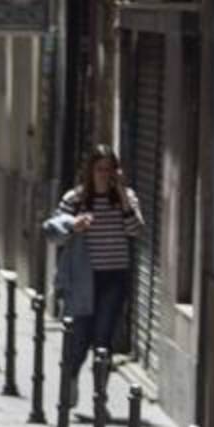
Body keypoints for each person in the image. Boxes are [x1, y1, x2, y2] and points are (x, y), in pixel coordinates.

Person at [42, 145, 144, 407]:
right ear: (90, 170)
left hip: (114, 277)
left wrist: (121, 193)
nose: (104, 174)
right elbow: (53, 231)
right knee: (80, 336)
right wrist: (73, 225)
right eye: (99, 169)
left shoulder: (126, 198)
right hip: (83, 278)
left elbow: (135, 230)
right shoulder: (75, 199)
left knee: (104, 338)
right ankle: (72, 377)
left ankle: (100, 396)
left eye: (109, 170)